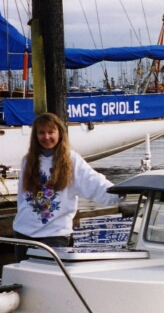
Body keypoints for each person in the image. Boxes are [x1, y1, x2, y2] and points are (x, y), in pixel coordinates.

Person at [12, 112, 120, 261]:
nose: (46, 137)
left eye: (51, 132)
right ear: (35, 136)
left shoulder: (71, 159)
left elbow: (93, 182)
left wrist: (118, 193)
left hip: (55, 236)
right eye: (41, 133)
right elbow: (21, 196)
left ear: (60, 133)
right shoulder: (28, 160)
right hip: (23, 233)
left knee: (55, 281)